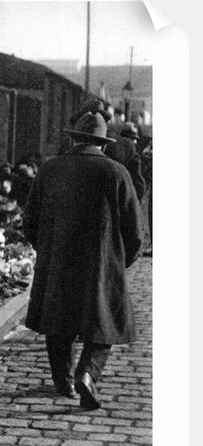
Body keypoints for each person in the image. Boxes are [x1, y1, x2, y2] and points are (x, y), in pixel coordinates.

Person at [24, 111, 144, 409]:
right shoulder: (117, 172)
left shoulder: (50, 169)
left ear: (74, 139)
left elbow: (29, 221)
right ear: (102, 144)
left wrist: (49, 250)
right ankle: (87, 375)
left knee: (58, 320)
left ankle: (63, 382)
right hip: (102, 263)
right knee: (105, 322)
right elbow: (135, 231)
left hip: (59, 261)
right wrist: (119, 262)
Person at [64, 99, 146, 203]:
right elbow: (138, 187)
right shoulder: (126, 146)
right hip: (111, 214)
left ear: (80, 120)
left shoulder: (68, 144)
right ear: (105, 119)